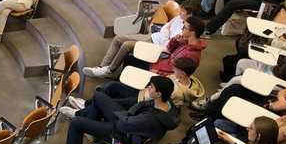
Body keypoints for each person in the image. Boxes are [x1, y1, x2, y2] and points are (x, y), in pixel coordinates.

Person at [53, 76, 180, 144]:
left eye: (151, 87)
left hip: (122, 134)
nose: (148, 88)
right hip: (129, 122)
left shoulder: (150, 119)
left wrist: (128, 115)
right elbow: (140, 104)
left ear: (158, 94)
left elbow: (122, 124)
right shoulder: (168, 104)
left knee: (76, 123)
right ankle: (91, 130)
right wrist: (129, 114)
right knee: (99, 97)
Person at [83, 0, 201, 80]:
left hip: (158, 47)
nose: (180, 12)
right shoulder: (178, 19)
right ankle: (102, 66)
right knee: (118, 39)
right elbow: (165, 27)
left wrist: (166, 34)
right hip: (153, 36)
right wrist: (166, 33)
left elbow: (167, 45)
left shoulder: (187, 30)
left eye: (183, 11)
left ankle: (109, 71)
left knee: (126, 46)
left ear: (190, 15)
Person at [69, 56, 203, 116]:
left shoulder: (177, 92)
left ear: (183, 74)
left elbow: (151, 99)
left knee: (102, 100)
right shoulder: (184, 79)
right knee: (112, 86)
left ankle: (82, 112)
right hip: (144, 91)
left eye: (176, 70)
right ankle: (87, 105)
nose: (173, 72)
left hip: (141, 101)